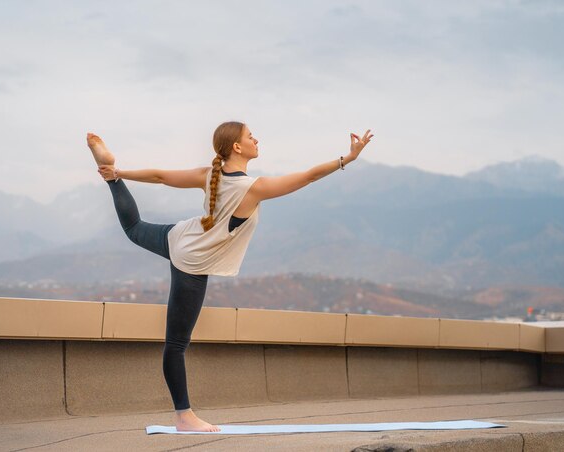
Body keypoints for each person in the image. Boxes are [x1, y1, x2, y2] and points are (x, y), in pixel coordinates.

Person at [86, 122, 373, 432]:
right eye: (250, 136)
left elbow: (160, 177)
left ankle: (109, 173)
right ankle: (184, 416)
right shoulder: (253, 187)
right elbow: (308, 176)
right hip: (192, 263)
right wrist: (348, 159)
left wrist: (117, 173)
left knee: (134, 229)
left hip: (179, 237)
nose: (256, 139)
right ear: (237, 147)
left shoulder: (209, 175)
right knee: (176, 344)